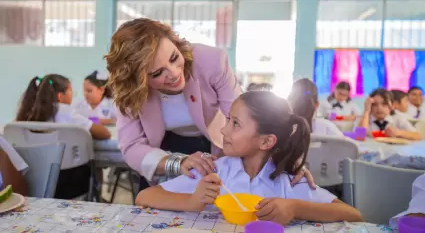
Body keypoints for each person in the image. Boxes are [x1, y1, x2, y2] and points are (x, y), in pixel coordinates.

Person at [105, 18, 315, 191]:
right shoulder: (129, 91)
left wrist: (286, 160)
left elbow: (249, 119)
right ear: (137, 81)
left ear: (176, 44)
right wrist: (175, 163)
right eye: (157, 73)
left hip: (217, 142)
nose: (174, 73)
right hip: (160, 151)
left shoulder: (211, 61)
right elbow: (132, 146)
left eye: (174, 57)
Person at [136, 91, 362, 225]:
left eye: (235, 124)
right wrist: (192, 201)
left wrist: (295, 208)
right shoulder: (214, 172)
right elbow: (144, 197)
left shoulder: (288, 179)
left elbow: (352, 214)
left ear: (266, 141)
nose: (224, 131)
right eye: (228, 120)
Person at [15, 74, 111, 199]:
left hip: (32, 181)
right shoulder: (67, 113)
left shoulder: (24, 115)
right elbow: (105, 134)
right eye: (71, 91)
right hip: (69, 183)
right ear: (60, 96)